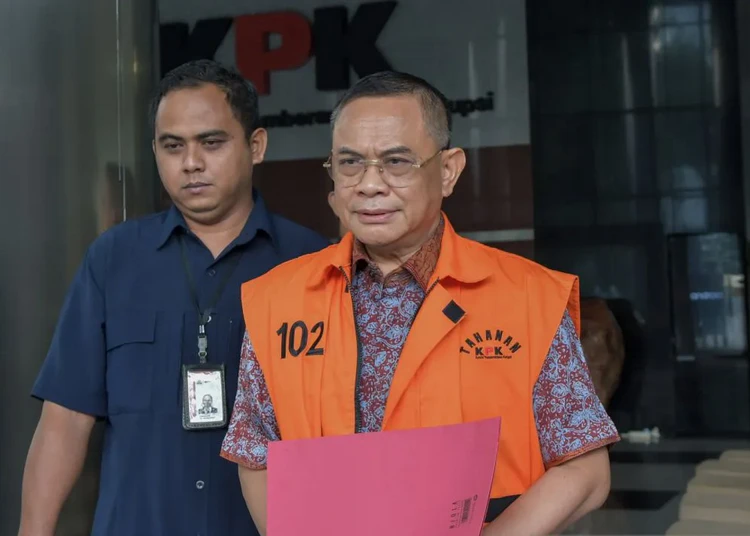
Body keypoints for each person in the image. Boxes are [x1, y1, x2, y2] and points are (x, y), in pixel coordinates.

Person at [220, 71, 620, 536]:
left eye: (396, 162)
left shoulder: (527, 297)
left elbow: (584, 471)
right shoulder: (277, 299)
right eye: (350, 163)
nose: (370, 185)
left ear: (448, 170)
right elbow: (255, 454)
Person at [18, 59, 330, 536]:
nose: (190, 163)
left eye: (211, 142)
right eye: (172, 146)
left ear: (256, 146)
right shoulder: (113, 260)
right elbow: (64, 421)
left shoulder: (312, 264)